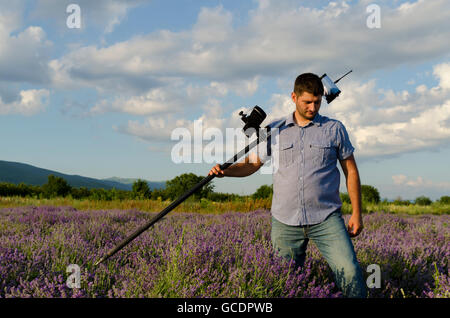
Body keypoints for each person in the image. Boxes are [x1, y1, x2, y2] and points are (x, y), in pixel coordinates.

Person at [208, 73, 367, 298]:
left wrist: (357, 214)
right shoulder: (275, 129)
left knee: (350, 272)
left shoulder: (334, 129)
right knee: (284, 282)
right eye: (307, 102)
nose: (313, 107)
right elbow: (253, 163)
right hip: (285, 220)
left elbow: (350, 170)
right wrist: (226, 172)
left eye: (317, 102)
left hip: (326, 217)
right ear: (294, 97)